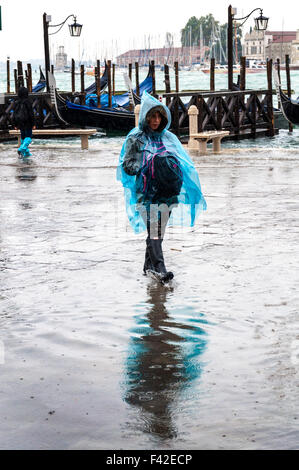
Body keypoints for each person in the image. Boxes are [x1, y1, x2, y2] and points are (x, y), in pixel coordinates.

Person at [117, 91, 207, 284]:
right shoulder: (136, 138)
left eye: (159, 116)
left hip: (168, 192)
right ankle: (160, 268)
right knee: (154, 231)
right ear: (146, 117)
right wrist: (144, 165)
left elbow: (183, 163)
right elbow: (127, 165)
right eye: (152, 116)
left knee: (158, 232)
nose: (156, 120)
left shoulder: (169, 138)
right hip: (146, 193)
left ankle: (148, 266)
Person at [13, 86, 35, 158]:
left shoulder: (16, 102)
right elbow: (31, 114)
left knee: (23, 137)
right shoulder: (28, 102)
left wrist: (15, 124)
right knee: (28, 137)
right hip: (27, 121)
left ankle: (26, 153)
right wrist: (33, 124)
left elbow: (14, 114)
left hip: (20, 122)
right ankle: (21, 149)